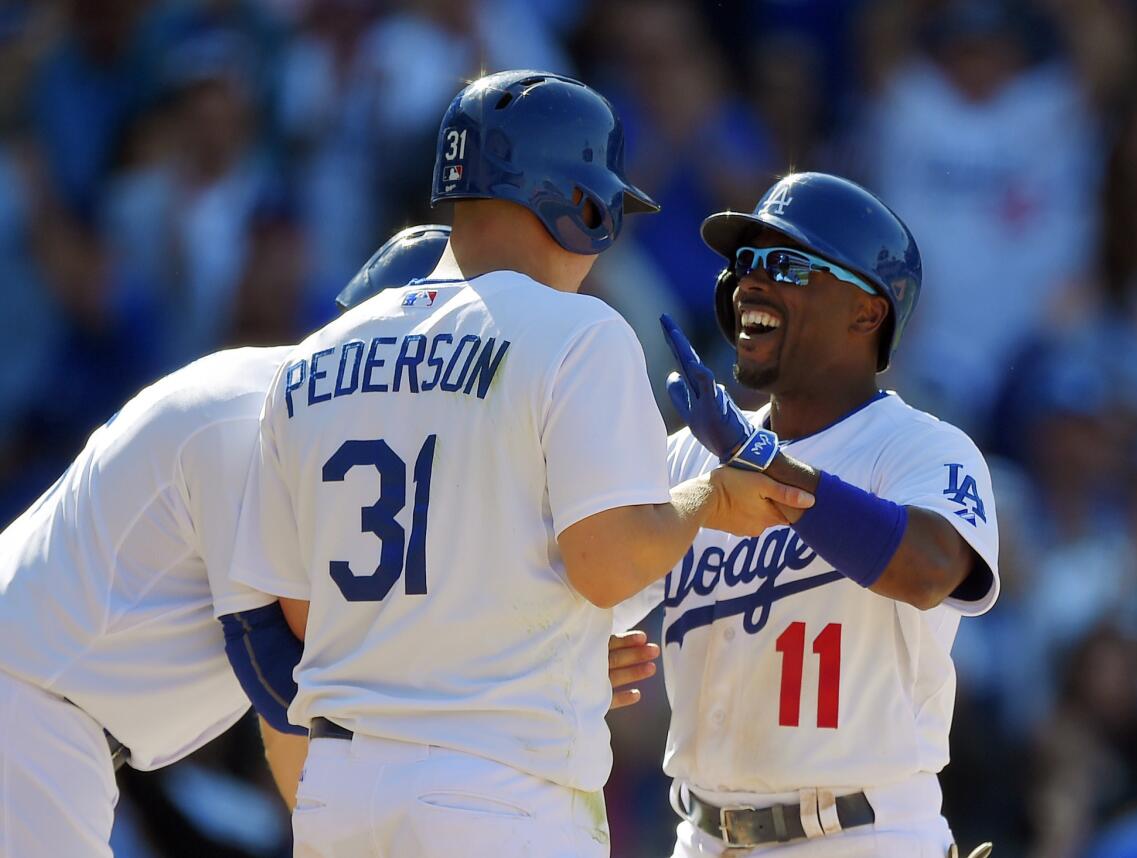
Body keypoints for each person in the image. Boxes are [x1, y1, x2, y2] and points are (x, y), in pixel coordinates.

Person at [227, 69, 809, 858]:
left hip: (340, 791)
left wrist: (534, 656)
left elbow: (300, 616)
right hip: (494, 792)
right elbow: (609, 567)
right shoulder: (578, 333)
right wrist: (708, 497)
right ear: (585, 209)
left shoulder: (310, 359)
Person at [0, 225, 455, 858]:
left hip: (51, 720)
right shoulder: (249, 416)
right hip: (28, 705)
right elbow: (278, 677)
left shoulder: (325, 434)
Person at [616, 172, 1000, 857]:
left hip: (863, 834)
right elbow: (588, 599)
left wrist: (759, 457)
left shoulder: (922, 448)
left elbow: (932, 570)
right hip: (701, 837)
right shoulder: (684, 458)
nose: (751, 284)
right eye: (746, 264)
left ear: (866, 313)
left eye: (787, 264)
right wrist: (577, 656)